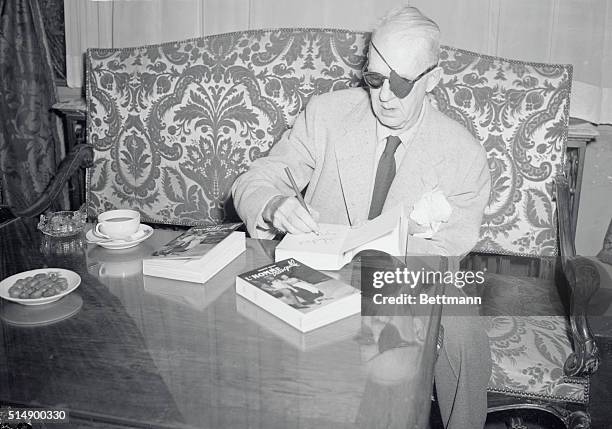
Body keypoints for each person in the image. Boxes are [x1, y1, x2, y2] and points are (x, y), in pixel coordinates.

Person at [232, 6, 491, 428]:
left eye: (402, 83)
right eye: (374, 78)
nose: (385, 96)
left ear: (432, 80)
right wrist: (274, 204)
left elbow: (444, 254)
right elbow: (258, 178)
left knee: (463, 335)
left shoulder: (463, 155)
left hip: (405, 287)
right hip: (317, 277)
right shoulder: (327, 115)